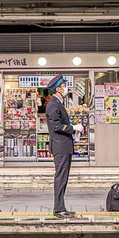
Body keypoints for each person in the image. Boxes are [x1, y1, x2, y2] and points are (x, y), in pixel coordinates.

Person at [45, 75, 83, 218]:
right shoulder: (54, 104)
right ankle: (59, 209)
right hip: (60, 146)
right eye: (64, 86)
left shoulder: (58, 103)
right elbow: (56, 126)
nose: (66, 88)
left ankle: (61, 207)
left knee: (63, 177)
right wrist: (73, 128)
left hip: (64, 145)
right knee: (61, 177)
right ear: (58, 89)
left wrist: (73, 131)